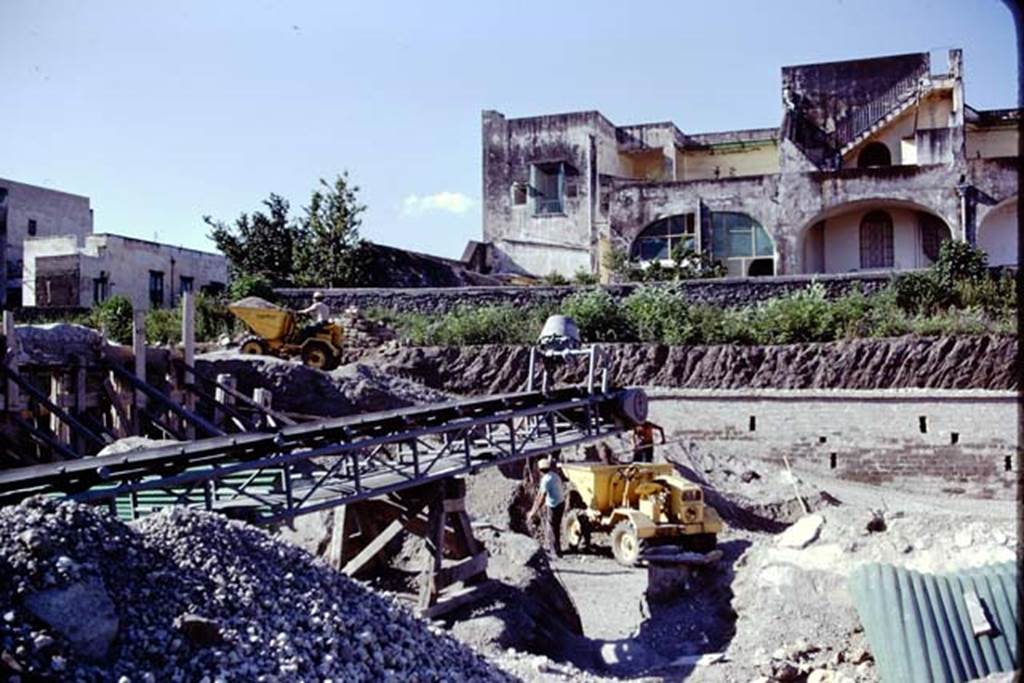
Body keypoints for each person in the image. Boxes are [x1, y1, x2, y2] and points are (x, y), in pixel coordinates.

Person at [528, 457, 565, 558]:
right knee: (556, 527)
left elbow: (541, 497)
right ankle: (558, 549)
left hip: (553, 505)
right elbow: (541, 493)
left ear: (540, 470)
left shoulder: (545, 480)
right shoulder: (555, 476)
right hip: (561, 503)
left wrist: (533, 511)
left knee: (551, 528)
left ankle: (554, 552)